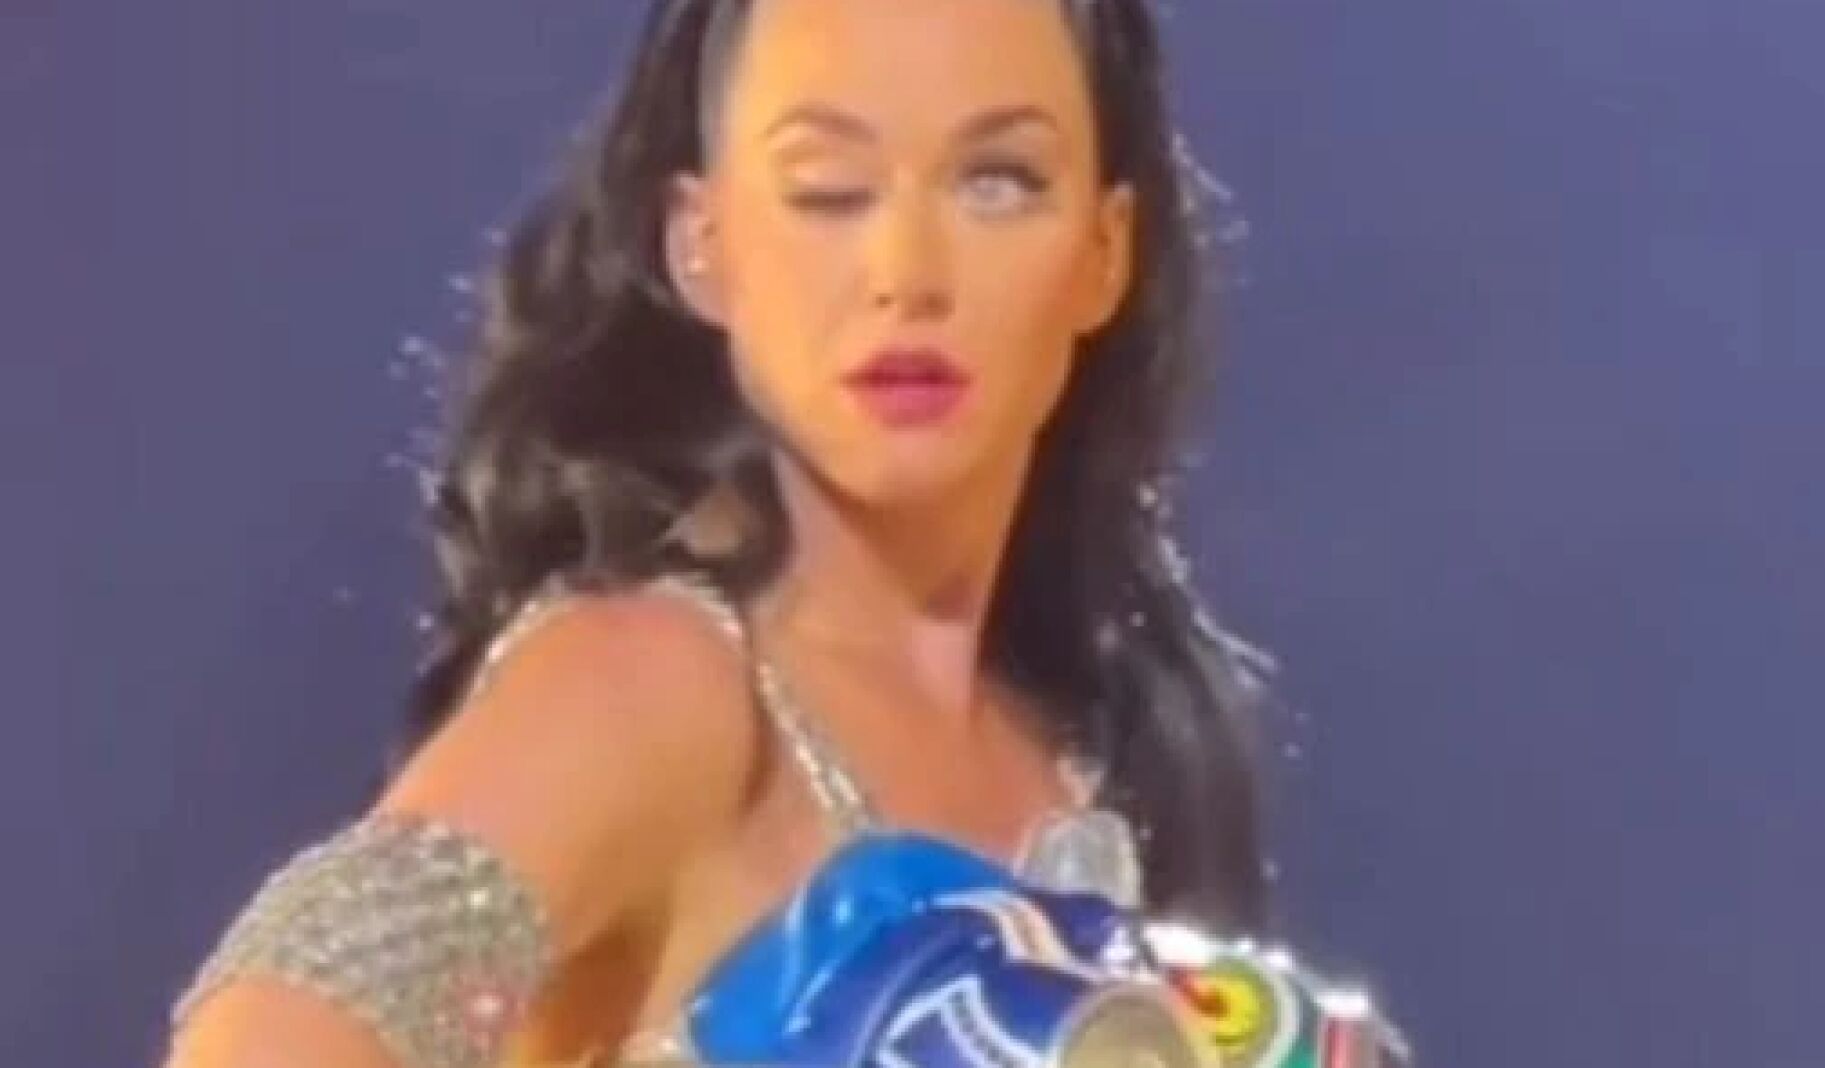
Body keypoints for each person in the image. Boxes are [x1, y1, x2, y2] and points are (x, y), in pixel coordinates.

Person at [160, 0, 1284, 1065]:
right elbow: (271, 1031)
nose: (907, 274)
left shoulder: (1099, 760)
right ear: (699, 243)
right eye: (829, 190)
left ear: (1104, 250)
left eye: (997, 182)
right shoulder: (650, 685)